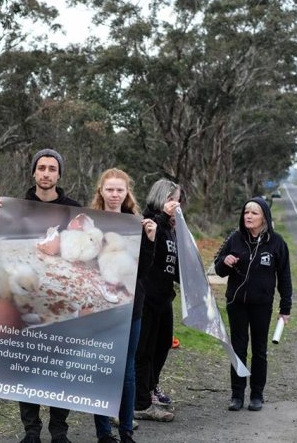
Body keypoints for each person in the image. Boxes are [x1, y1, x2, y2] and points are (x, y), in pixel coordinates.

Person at [0, 148, 79, 443]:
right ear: (33, 172)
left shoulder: (73, 209)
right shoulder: (17, 208)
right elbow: (1, 253)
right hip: (25, 296)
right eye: (42, 168)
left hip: (62, 298)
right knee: (28, 364)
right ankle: (31, 431)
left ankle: (59, 431)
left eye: (52, 168)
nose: (47, 173)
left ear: (59, 174)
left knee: (60, 367)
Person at [90, 168, 156, 443]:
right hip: (98, 305)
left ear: (127, 192)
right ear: (101, 192)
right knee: (101, 368)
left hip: (131, 307)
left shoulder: (136, 223)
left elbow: (143, 271)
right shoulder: (91, 222)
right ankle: (104, 432)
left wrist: (151, 241)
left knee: (127, 371)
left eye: (120, 189)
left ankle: (126, 430)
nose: (115, 194)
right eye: (110, 189)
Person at [213, 197, 292, 412]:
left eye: (254, 213)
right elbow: (218, 269)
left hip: (262, 306)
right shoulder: (235, 239)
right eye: (246, 211)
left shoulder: (276, 243)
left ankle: (257, 395)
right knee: (238, 349)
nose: (248, 216)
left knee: (259, 351)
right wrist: (225, 261)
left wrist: (285, 308)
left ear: (264, 218)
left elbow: (284, 277)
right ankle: (237, 395)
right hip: (236, 304)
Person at [133, 179, 181, 423]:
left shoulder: (172, 226)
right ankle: (140, 401)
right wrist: (164, 215)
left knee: (163, 345)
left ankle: (151, 387)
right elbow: (146, 246)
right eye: (174, 199)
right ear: (163, 198)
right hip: (148, 297)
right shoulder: (150, 221)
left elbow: (175, 262)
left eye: (179, 200)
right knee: (145, 350)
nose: (178, 204)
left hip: (165, 297)